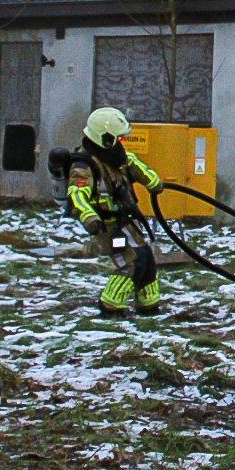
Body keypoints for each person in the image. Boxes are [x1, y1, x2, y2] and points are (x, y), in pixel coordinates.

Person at [64, 107, 166, 317]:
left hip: (123, 219)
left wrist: (154, 183)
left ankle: (149, 304)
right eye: (117, 138)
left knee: (145, 258)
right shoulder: (83, 167)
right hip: (106, 225)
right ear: (104, 138)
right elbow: (77, 195)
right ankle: (110, 307)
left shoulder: (115, 157)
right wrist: (89, 217)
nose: (121, 143)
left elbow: (135, 165)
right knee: (129, 263)